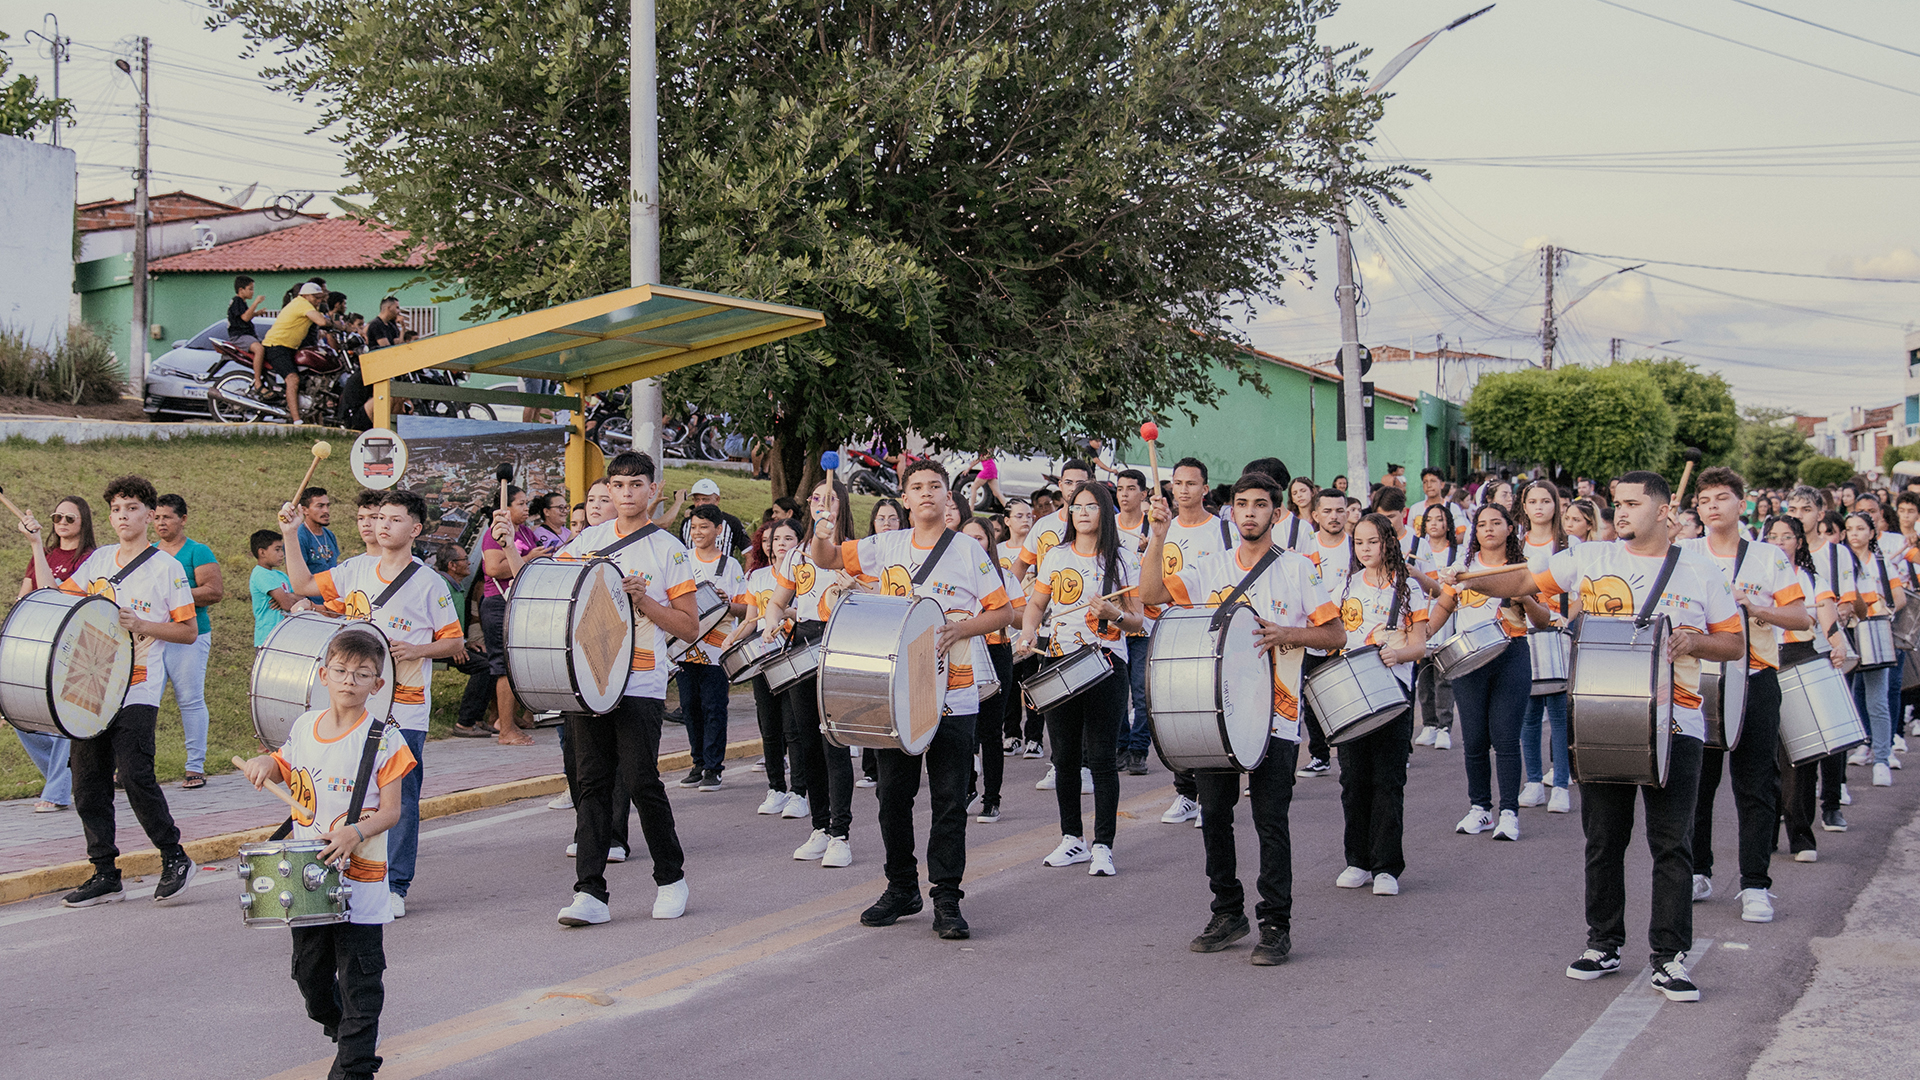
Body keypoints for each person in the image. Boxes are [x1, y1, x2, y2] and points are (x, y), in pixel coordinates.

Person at [1533, 470, 1744, 1001]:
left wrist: (1696, 641)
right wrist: (1466, 580)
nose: (1619, 513)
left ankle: (1670, 957)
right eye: (1616, 505)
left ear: (1660, 509)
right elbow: (1522, 581)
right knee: (1604, 839)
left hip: (1679, 724)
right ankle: (1603, 942)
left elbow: (1735, 644)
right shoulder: (1591, 559)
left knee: (1672, 845)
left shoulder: (1699, 570)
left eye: (1630, 504)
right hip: (1602, 719)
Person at [1140, 472, 1344, 964]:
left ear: (1276, 513)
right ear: (1231, 511)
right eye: (1241, 504)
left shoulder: (1298, 568)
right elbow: (1150, 595)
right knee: (1214, 816)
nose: (1249, 512)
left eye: (1260, 505)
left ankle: (1276, 923)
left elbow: (1335, 634)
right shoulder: (1210, 567)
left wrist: (1288, 634)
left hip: (1276, 713)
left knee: (1270, 819)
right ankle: (1227, 911)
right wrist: (1159, 536)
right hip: (1218, 714)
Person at [810, 460, 1011, 938]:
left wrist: (963, 627)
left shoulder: (968, 551)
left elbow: (1004, 611)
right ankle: (902, 886)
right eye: (916, 487)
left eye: (935, 487)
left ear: (949, 499)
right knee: (892, 797)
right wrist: (822, 529)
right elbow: (826, 559)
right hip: (895, 695)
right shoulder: (886, 546)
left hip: (954, 693)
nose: (926, 494)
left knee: (948, 800)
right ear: (904, 498)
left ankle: (946, 897)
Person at [238, 629, 415, 1080]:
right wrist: (267, 764)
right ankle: (348, 1036)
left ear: (377, 684)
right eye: (340, 671)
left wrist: (356, 831)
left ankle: (354, 1067)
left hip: (362, 878)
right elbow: (284, 761)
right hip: (308, 877)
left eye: (362, 674)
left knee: (360, 980)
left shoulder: (385, 739)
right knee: (310, 979)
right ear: (323, 674)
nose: (349, 680)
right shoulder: (303, 726)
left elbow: (392, 812)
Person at [279, 489, 465, 919]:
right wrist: (290, 535)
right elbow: (305, 586)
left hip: (405, 708)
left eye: (395, 519)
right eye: (380, 517)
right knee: (346, 788)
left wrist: (418, 649)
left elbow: (454, 640)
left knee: (398, 798)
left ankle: (396, 883)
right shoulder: (354, 569)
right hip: (352, 704)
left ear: (415, 530)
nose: (383, 525)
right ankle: (343, 870)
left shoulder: (429, 583)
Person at [24, 476, 199, 906]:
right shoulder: (99, 559)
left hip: (138, 686)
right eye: (118, 509)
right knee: (87, 785)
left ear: (149, 515)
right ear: (110, 516)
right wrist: (34, 545)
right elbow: (54, 594)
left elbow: (188, 631)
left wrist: (141, 625)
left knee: (137, 777)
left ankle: (174, 856)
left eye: (133, 509)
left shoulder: (167, 568)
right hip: (90, 687)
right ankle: (105, 872)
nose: (124, 516)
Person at [552, 451, 700, 926]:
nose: (627, 494)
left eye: (637, 485)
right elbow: (555, 598)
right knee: (591, 783)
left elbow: (690, 626)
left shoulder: (668, 550)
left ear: (652, 490)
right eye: (618, 485)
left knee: (640, 780)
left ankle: (671, 878)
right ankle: (590, 892)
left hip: (640, 678)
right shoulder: (585, 542)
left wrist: (645, 601)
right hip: (589, 677)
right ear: (608, 491)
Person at [1684, 468, 1807, 923]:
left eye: (1722, 498)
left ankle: (1755, 884)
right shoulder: (1684, 552)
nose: (1712, 506)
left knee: (1756, 782)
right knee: (1698, 781)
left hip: (1755, 676)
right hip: (1696, 679)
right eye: (1705, 500)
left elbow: (1800, 617)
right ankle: (1698, 870)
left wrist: (1756, 608)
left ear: (1742, 504)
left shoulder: (1768, 556)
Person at [1015, 481, 1142, 877]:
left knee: (1102, 760)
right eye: (1076, 506)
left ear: (1105, 511)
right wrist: (1028, 632)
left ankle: (1103, 844)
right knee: (1064, 758)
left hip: (1105, 663)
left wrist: (1113, 613)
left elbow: (1137, 620)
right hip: (1057, 660)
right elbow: (1037, 603)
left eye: (1091, 506)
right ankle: (1072, 838)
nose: (1082, 512)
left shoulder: (1122, 559)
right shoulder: (1054, 556)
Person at [1428, 502, 1550, 841]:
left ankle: (1509, 812)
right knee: (1475, 740)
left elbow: (1543, 620)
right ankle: (1480, 808)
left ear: (1510, 529)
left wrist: (1524, 598)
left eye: (1497, 523)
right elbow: (1443, 605)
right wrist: (1423, 634)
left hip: (1512, 655)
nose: (1489, 529)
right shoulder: (1461, 569)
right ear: (1475, 532)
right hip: (1470, 660)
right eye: (1482, 524)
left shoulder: (1525, 569)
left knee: (1506, 738)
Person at [762, 475, 859, 868]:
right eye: (816, 497)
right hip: (802, 643)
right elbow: (779, 600)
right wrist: (771, 618)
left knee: (833, 743)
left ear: (842, 507)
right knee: (806, 742)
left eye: (830, 498)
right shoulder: (795, 556)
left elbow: (883, 601)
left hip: (840, 644)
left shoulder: (856, 551)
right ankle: (820, 826)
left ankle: (841, 833)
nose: (822, 503)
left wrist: (858, 589)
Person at [1332, 514, 1430, 895]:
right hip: (1353, 692)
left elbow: (1421, 644)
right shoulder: (1348, 585)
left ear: (1388, 542)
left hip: (1393, 692)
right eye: (1359, 543)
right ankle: (1356, 860)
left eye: (1372, 541)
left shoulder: (1408, 590)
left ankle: (1387, 865)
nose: (1365, 549)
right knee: (1353, 780)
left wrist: (1399, 655)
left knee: (1388, 780)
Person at [1153, 457, 1239, 824]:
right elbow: (1150, 584)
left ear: (1205, 488)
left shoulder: (1223, 531)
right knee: (1178, 710)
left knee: (1215, 711)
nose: (1182, 489)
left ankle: (1212, 798)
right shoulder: (1162, 529)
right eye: (1177, 483)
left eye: (1191, 483)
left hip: (1214, 630)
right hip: (1172, 632)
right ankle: (1186, 793)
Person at [1765, 514, 1848, 859]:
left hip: (1800, 658)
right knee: (1763, 756)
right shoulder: (1754, 575)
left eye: (1786, 536)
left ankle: (1801, 835)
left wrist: (1839, 643)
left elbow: (1827, 617)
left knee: (1800, 756)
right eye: (1772, 536)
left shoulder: (1811, 578)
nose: (1779, 542)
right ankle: (1764, 833)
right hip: (1761, 661)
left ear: (1799, 541)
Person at [723, 517, 809, 819]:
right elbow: (750, 619)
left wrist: (786, 612)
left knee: (793, 728)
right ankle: (776, 787)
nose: (781, 544)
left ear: (799, 542)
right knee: (769, 728)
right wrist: (732, 638)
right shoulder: (757, 576)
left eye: (788, 538)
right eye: (775, 539)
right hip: (763, 658)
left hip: (794, 657)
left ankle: (800, 792)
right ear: (766, 545)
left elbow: (809, 613)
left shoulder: (806, 573)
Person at [13, 495, 94, 813]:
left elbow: (52, 597)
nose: (61, 522)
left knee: (63, 716)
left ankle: (58, 790)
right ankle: (67, 779)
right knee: (20, 714)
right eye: (56, 517)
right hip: (39, 644)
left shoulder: (91, 559)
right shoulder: (46, 555)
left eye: (69, 518)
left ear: (83, 523)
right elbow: (26, 597)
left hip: (72, 647)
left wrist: (34, 544)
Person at [150, 494, 222, 788]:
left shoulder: (197, 551)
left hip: (190, 635)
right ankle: (137, 766)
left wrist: (177, 595)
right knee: (145, 701)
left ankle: (195, 765)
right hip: (153, 635)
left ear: (183, 519)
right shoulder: (149, 552)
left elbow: (213, 591)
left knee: (190, 699)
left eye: (166, 517)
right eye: (156, 517)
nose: (160, 523)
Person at [675, 503, 748, 790]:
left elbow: (745, 607)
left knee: (714, 706)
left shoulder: (729, 565)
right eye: (693, 527)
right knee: (689, 706)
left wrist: (727, 601)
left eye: (704, 527)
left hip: (717, 649)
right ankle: (697, 762)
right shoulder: (682, 560)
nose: (697, 533)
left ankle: (713, 767)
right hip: (684, 646)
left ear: (718, 530)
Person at [480, 486, 554, 746]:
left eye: (526, 503)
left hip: (519, 602)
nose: (525, 509)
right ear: (505, 508)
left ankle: (513, 718)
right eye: (520, 504)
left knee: (517, 665)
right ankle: (505, 729)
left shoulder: (525, 531)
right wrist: (528, 556)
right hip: (499, 603)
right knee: (504, 667)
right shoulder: (496, 532)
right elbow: (492, 567)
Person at [1518, 480, 1573, 814]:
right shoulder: (1515, 546)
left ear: (1556, 505)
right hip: (1521, 633)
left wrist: (1564, 618)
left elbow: (1582, 591)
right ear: (1524, 507)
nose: (1539, 507)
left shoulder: (1570, 545)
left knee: (1558, 711)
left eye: (1545, 501)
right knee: (1528, 713)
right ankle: (1534, 782)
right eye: (1532, 501)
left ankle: (1562, 784)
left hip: (1558, 633)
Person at [1840, 510, 1904, 787]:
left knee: (1877, 697)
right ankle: (1863, 744)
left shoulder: (1882, 563)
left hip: (1874, 631)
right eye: (1849, 529)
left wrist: (1883, 613)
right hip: (1848, 633)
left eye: (1860, 529)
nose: (1854, 534)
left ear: (1871, 532)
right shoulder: (1839, 560)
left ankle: (1882, 756)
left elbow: (1898, 598)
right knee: (1854, 696)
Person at [958, 516, 1015, 821]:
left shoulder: (1004, 576)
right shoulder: (953, 576)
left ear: (989, 542)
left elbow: (1017, 617)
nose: (972, 544)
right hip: (962, 653)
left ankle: (992, 797)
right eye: (966, 538)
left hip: (995, 652)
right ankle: (966, 788)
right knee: (962, 727)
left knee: (990, 731)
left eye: (979, 538)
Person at [1296, 488, 1355, 777]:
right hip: (1313, 635)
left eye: (1340, 510)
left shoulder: (1358, 547)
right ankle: (1320, 755)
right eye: (1328, 511)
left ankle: (1347, 756)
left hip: (1347, 638)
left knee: (1345, 698)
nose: (1334, 516)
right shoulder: (1304, 550)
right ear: (1315, 514)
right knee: (1312, 697)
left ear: (1348, 513)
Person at [1112, 468, 1156, 774]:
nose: (1124, 494)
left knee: (1141, 690)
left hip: (1145, 620)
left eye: (1131, 488)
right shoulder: (1107, 527)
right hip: (1113, 622)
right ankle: (1120, 745)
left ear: (1144, 494)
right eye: (1120, 489)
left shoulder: (1154, 529)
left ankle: (1139, 748)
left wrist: (1148, 551)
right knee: (1116, 690)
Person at [1408, 501, 1461, 750]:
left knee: (1444, 675)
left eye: (1440, 519)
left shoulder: (1457, 553)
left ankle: (1444, 726)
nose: (1435, 524)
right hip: (1422, 615)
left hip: (1447, 617)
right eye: (1430, 520)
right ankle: (1428, 723)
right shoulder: (1417, 550)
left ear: (1448, 523)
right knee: (1423, 674)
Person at [260, 281, 332, 425]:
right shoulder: (302, 304)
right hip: (277, 346)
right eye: (315, 297)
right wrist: (334, 325)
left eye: (320, 298)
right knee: (292, 379)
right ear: (305, 295)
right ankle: (296, 420)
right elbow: (322, 322)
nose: (318, 301)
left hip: (289, 347)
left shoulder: (307, 305)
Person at [249, 528, 311, 648]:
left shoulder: (280, 575)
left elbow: (303, 596)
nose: (282, 554)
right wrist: (289, 599)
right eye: (277, 550)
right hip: (268, 639)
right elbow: (287, 605)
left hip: (284, 636)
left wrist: (289, 596)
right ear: (262, 552)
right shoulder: (260, 574)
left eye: (281, 550)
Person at [680, 477, 750, 557]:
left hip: (723, 568)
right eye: (697, 500)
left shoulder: (731, 522)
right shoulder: (686, 523)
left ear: (717, 500)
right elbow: (681, 552)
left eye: (705, 499)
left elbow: (749, 553)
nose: (700, 504)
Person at [295, 487, 341, 574]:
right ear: (305, 510)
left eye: (327, 505)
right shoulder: (299, 537)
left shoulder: (329, 535)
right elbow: (297, 574)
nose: (326, 511)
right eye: (320, 506)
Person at [226, 274, 265, 372]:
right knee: (259, 349)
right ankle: (257, 380)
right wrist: (256, 303)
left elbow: (243, 316)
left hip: (248, 335)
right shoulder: (237, 301)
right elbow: (245, 318)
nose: (253, 292)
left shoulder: (242, 302)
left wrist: (256, 313)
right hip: (239, 336)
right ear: (241, 290)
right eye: (250, 289)